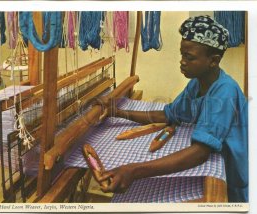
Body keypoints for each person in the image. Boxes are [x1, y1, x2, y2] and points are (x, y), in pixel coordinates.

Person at [97, 15, 248, 203]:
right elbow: (168, 114)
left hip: (235, 171)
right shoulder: (197, 84)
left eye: (189, 57)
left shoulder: (223, 92)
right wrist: (117, 112)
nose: (182, 62)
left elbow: (199, 152)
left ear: (213, 60)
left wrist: (133, 170)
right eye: (182, 55)